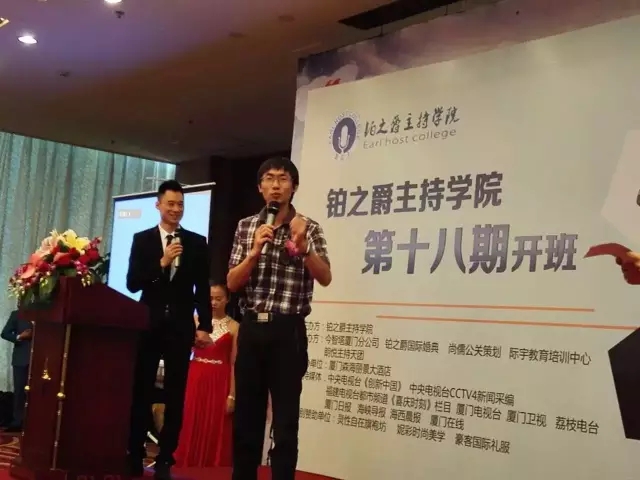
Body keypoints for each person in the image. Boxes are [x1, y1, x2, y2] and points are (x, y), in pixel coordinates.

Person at [227, 156, 332, 480]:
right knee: (247, 418)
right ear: (260, 187)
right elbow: (232, 283)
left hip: (289, 331)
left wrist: (304, 249)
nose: (276, 185)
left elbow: (325, 277)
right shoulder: (246, 226)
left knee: (285, 422)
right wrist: (253, 253)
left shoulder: (308, 227)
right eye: (269, 179)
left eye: (283, 179)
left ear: (294, 187)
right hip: (252, 327)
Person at [126, 180, 213, 480]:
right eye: (171, 204)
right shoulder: (142, 240)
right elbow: (132, 283)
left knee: (176, 394)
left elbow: (202, 288)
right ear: (158, 205)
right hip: (148, 325)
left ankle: (166, 457)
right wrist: (161, 262)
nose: (176, 210)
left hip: (179, 327)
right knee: (141, 390)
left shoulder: (196, 242)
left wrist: (205, 325)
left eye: (180, 205)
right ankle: (134, 452)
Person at [174, 283, 238, 468]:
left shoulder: (235, 327)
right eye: (210, 298)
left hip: (220, 380)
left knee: (215, 425)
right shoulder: (194, 321)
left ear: (227, 299)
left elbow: (234, 363)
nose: (214, 303)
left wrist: (232, 395)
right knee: (190, 420)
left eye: (219, 298)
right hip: (195, 375)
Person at [0, 309, 32, 433]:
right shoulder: (17, 314)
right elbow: (5, 333)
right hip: (21, 359)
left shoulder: (46, 312)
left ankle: (35, 421)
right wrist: (19, 337)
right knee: (19, 391)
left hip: (41, 359)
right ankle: (18, 421)